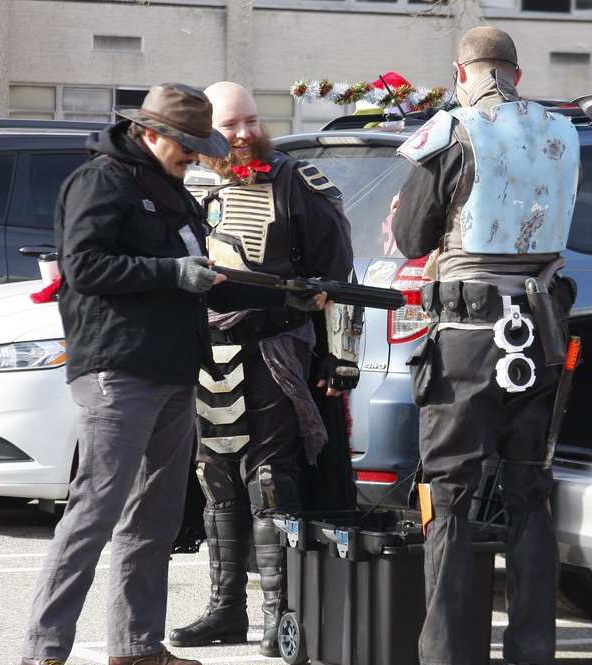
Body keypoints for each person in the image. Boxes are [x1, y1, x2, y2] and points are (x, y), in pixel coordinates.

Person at [19, 82, 314, 665]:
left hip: (175, 369)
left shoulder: (171, 187)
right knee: (94, 512)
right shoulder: (100, 180)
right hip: (119, 368)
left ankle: (136, 648)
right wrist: (173, 273)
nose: (195, 154)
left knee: (153, 520)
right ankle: (44, 651)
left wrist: (213, 277)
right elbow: (84, 266)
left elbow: (180, 264)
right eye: (185, 143)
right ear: (151, 134)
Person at [391, 27, 581, 665]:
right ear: (517, 74)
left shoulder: (451, 131)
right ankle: (532, 650)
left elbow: (414, 237)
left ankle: (445, 654)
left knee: (448, 494)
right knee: (530, 490)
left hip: (469, 337)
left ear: (460, 72)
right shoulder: (564, 132)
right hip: (543, 331)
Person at [168, 81, 360, 657]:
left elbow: (339, 273)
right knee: (216, 478)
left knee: (272, 480)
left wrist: (341, 356)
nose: (246, 134)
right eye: (232, 126)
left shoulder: (296, 181)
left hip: (276, 347)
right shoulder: (182, 183)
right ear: (205, 130)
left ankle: (283, 615)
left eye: (252, 121)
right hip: (206, 353)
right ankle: (226, 609)